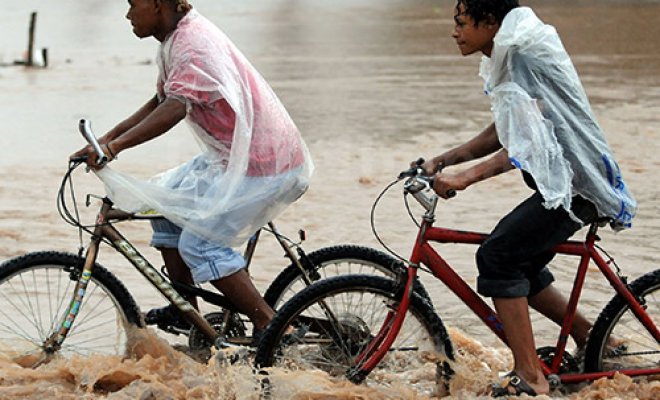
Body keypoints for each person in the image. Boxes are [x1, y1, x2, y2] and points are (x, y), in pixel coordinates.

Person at [419, 0, 636, 396]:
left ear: (490, 23)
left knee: (497, 256)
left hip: (576, 184)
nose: (454, 32)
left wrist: (465, 177)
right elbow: (508, 128)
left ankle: (531, 376)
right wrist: (446, 158)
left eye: (461, 23)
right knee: (521, 263)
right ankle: (596, 338)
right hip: (569, 180)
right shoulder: (511, 50)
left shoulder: (518, 54)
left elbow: (528, 142)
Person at [71, 0, 313, 342]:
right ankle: (184, 310)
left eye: (132, 4)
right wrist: (107, 138)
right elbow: (161, 100)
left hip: (263, 163)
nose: (128, 14)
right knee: (161, 204)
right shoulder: (175, 40)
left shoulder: (193, 44)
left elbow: (174, 109)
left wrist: (115, 147)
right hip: (231, 157)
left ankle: (273, 327)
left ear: (156, 4)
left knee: (200, 244)